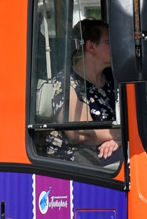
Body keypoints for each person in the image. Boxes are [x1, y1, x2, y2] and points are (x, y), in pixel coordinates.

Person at [42, 20, 119, 163]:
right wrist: (120, 135)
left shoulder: (113, 78)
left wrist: (117, 141)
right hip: (73, 165)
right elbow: (78, 132)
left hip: (106, 154)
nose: (117, 46)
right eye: (109, 42)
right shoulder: (66, 82)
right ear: (90, 46)